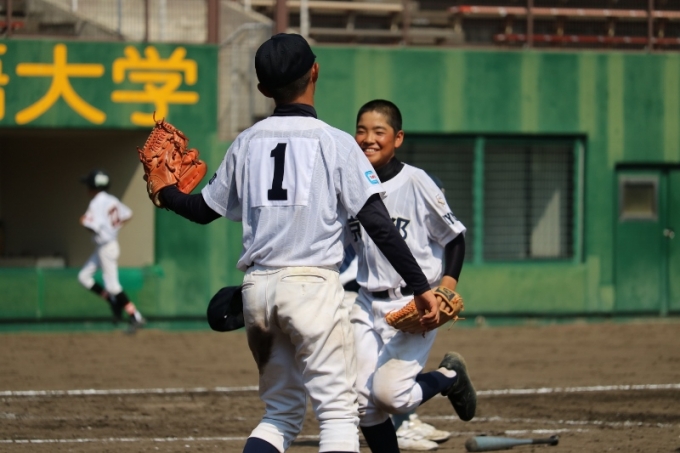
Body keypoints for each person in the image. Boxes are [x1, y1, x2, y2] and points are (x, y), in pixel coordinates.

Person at [154, 33, 441, 453]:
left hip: (257, 291)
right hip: (311, 288)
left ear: (262, 89)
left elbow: (201, 210)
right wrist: (420, 286)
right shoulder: (336, 142)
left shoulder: (247, 142)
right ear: (315, 71)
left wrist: (165, 193)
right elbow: (378, 224)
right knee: (339, 415)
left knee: (280, 415)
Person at [347, 100, 477, 453]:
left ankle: (449, 377)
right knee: (361, 401)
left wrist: (446, 287)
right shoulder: (351, 185)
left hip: (415, 302)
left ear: (398, 138)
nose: (368, 139)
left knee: (391, 397)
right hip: (366, 302)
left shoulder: (416, 181)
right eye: (361, 130)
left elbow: (454, 238)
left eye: (379, 132)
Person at [78, 169, 145, 333]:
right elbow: (128, 214)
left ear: (94, 186)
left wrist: (83, 221)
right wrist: (113, 228)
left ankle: (135, 315)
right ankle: (113, 301)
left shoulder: (96, 203)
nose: (87, 188)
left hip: (106, 247)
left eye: (89, 185)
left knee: (113, 286)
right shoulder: (111, 199)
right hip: (105, 246)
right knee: (84, 277)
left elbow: (92, 226)